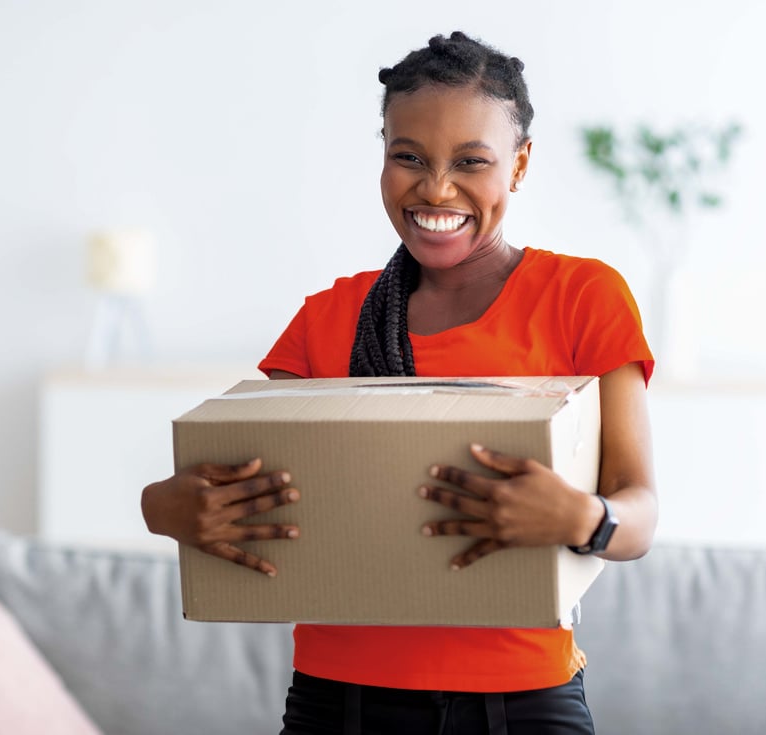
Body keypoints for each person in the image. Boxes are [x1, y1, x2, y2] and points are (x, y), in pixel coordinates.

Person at [141, 31, 656, 735]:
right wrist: (164, 508)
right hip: (339, 697)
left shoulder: (582, 297)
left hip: (524, 696)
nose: (436, 188)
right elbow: (234, 472)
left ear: (521, 164)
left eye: (471, 162)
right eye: (407, 157)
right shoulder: (330, 318)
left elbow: (642, 512)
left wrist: (579, 518)